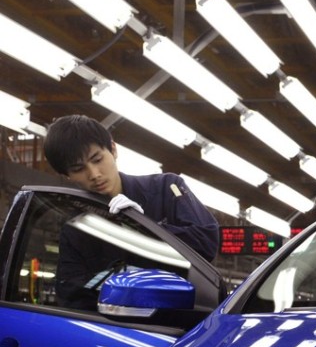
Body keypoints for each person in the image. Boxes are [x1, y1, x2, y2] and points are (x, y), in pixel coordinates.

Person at [42, 115, 219, 308]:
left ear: (114, 149)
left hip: (181, 320)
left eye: (97, 159)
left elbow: (207, 242)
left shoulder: (166, 188)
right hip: (116, 328)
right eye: (78, 168)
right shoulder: (77, 229)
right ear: (67, 176)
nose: (94, 174)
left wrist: (146, 228)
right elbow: (70, 294)